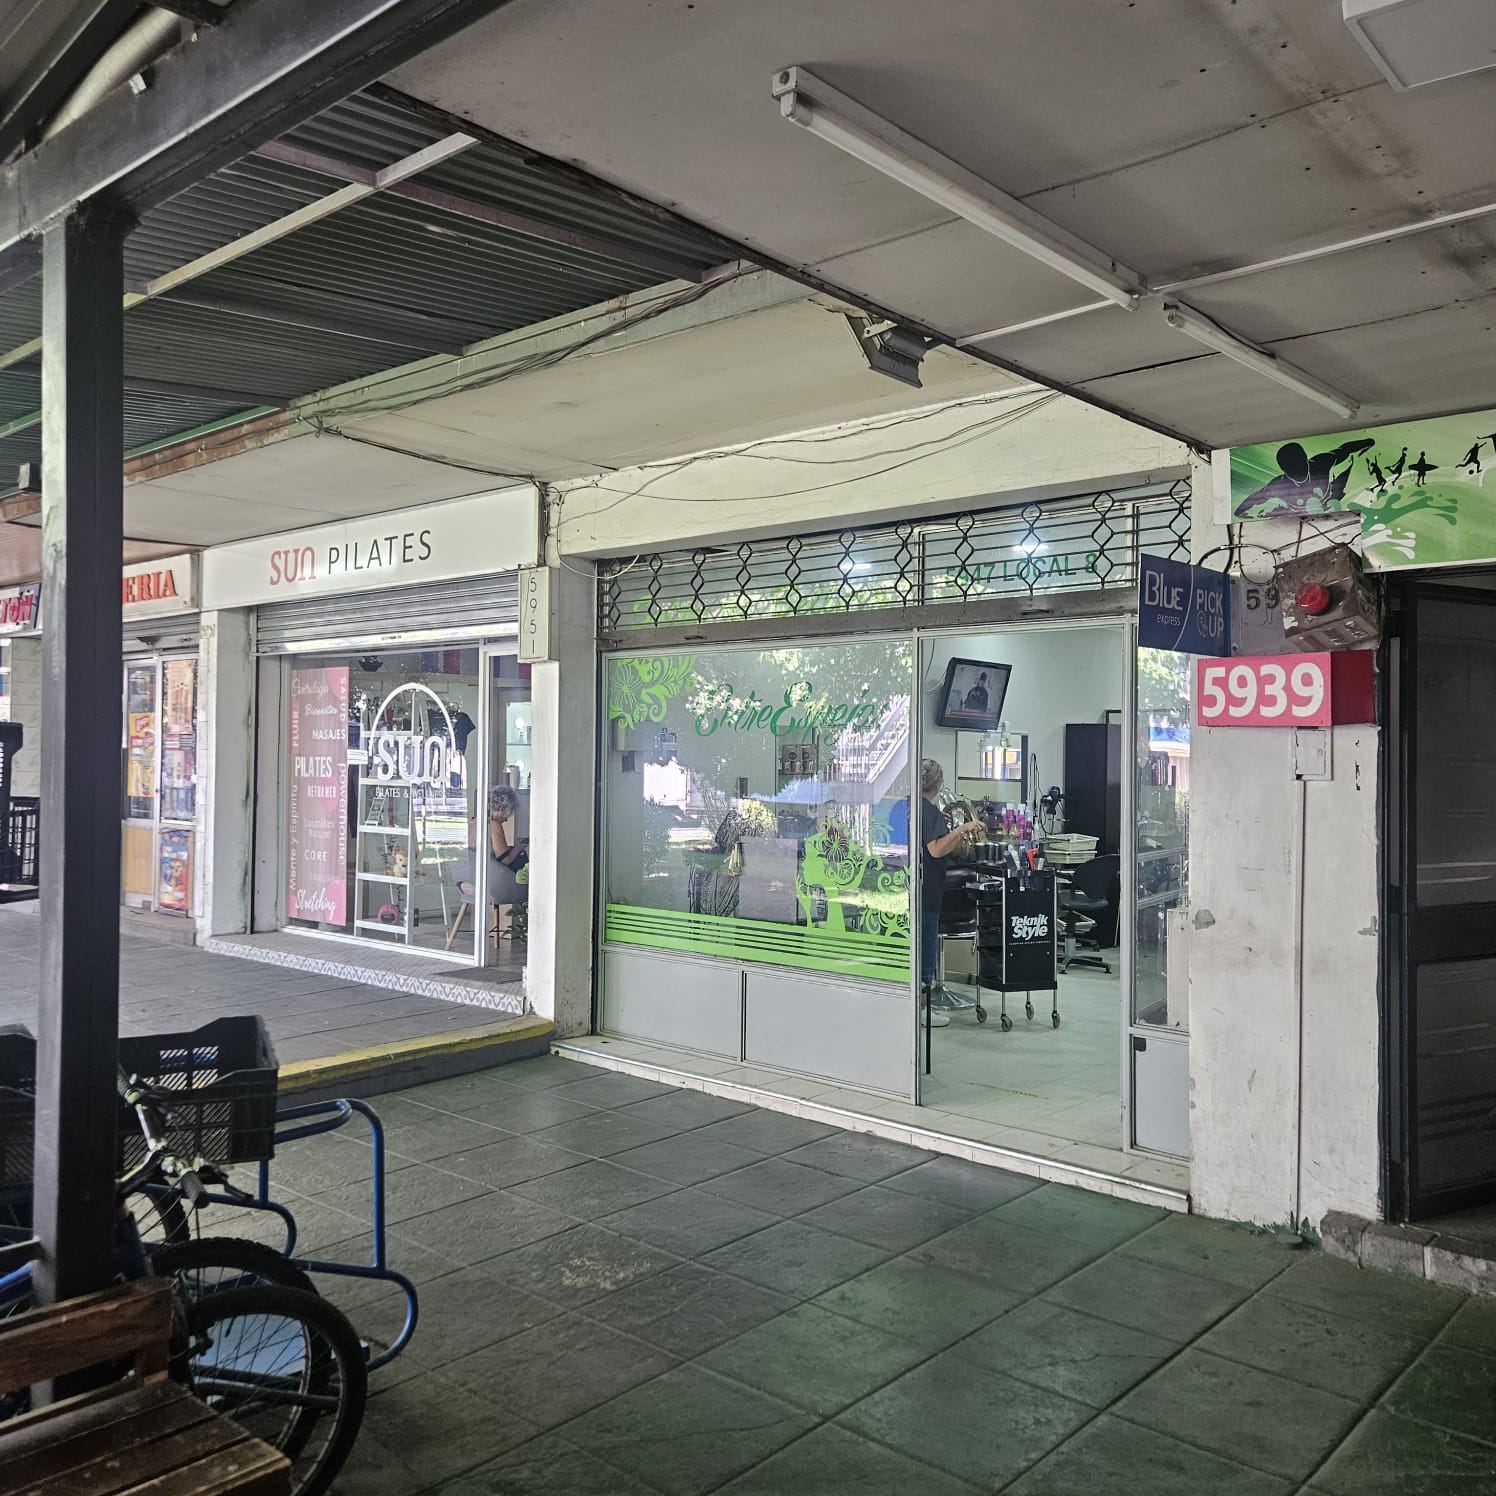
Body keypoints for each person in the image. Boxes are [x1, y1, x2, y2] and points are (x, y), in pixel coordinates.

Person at [918, 758, 982, 1026]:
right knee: (925, 953)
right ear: (938, 784)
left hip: (903, 889)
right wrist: (962, 829)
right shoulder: (929, 812)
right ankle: (921, 1011)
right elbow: (935, 849)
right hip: (926, 891)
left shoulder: (904, 806)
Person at [488, 785, 529, 906]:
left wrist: (512, 848)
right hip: (496, 884)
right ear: (501, 808)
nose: (505, 820)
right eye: (507, 814)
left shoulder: (475, 821)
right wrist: (519, 847)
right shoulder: (493, 824)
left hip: (479, 880)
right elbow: (505, 859)